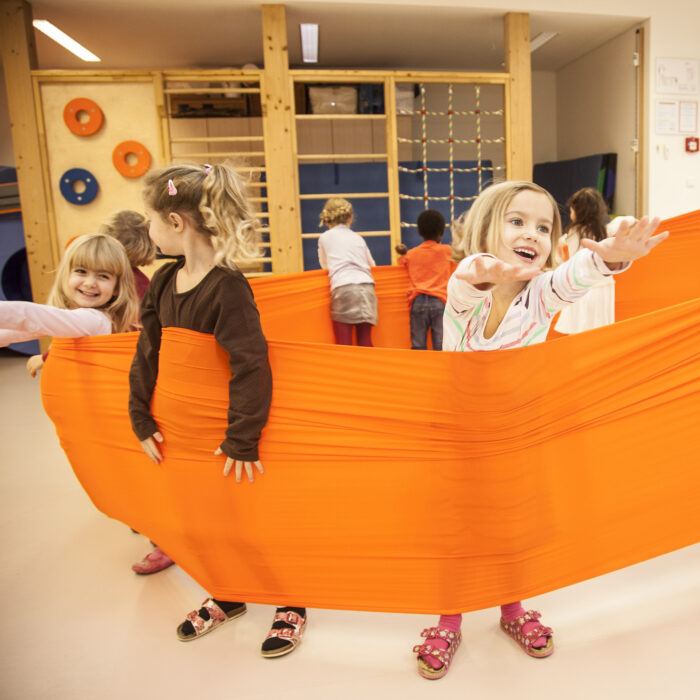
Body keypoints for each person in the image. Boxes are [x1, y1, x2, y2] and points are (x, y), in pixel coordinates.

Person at [412, 180, 668, 680]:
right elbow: (469, 278)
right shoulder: (464, 294)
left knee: (511, 526)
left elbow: (576, 275)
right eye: (517, 222)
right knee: (460, 531)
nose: (532, 233)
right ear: (488, 227)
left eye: (544, 227)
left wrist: (611, 258)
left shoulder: (542, 294)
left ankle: (511, 610)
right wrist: (484, 267)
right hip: (459, 439)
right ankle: (449, 617)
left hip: (514, 437)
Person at [128, 163, 306, 658]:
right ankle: (228, 593)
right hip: (178, 433)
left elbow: (252, 364)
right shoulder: (164, 281)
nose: (148, 228)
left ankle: (291, 601)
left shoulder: (227, 287)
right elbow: (147, 353)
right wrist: (140, 416)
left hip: (228, 437)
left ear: (176, 222)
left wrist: (242, 437)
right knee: (207, 519)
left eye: (151, 218)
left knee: (252, 518)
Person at [26, 210, 156, 379]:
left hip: (122, 363)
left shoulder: (124, 284)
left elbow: (81, 330)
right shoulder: (141, 281)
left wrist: (47, 356)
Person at [0, 232, 138, 348]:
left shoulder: (95, 320)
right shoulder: (76, 320)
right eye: (81, 271)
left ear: (117, 288)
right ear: (65, 276)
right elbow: (26, 330)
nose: (90, 283)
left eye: (103, 276)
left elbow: (32, 316)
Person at [555, 187, 637, 334]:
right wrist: (634, 220)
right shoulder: (604, 231)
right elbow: (622, 221)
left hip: (582, 286)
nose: (571, 213)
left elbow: (565, 258)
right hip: (603, 285)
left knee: (580, 327)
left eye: (572, 210)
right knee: (599, 327)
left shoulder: (574, 232)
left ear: (580, 211)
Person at [317, 197, 377, 346]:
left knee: (344, 344)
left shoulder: (324, 237)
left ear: (326, 219)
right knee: (365, 342)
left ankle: (346, 369)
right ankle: (369, 369)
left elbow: (324, 265)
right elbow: (372, 265)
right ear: (350, 217)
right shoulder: (358, 238)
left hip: (343, 287)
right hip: (367, 287)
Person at [395, 209, 454, 350]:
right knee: (441, 345)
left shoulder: (412, 253)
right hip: (440, 302)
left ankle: (420, 370)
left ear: (420, 232)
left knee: (418, 345)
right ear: (441, 232)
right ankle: (441, 371)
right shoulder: (447, 251)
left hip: (418, 302)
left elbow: (401, 261)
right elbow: (461, 259)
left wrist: (403, 252)